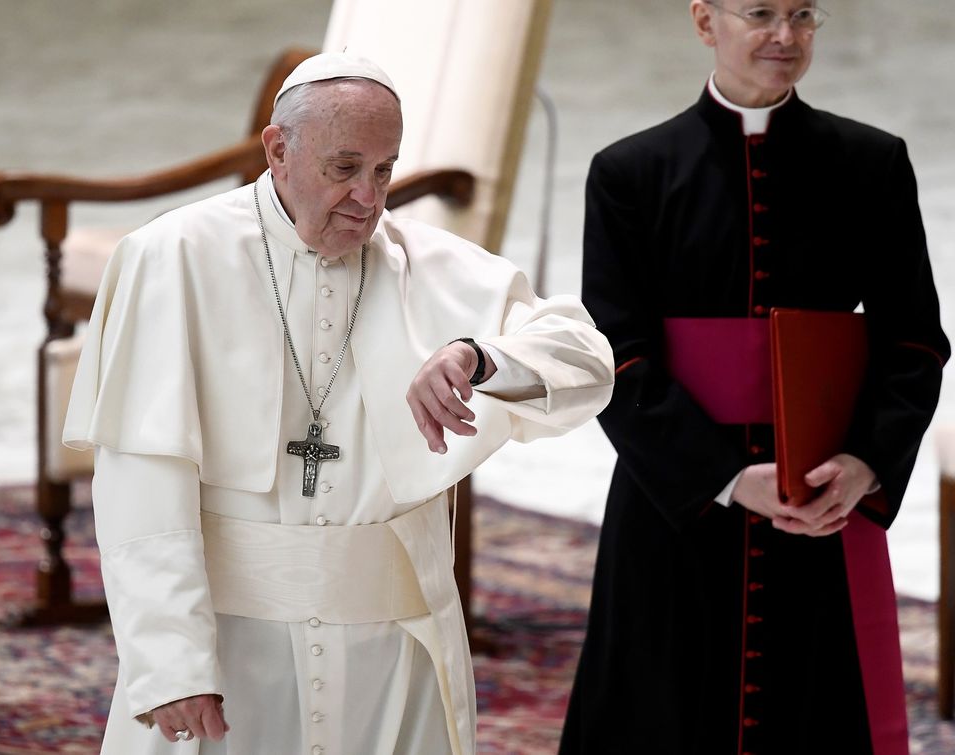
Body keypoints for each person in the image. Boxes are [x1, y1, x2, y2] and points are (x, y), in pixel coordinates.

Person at [63, 52, 614, 754]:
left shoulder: (425, 262)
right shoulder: (172, 256)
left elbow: (588, 361)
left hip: (396, 652)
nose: (368, 198)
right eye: (344, 168)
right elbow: (140, 482)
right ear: (278, 150)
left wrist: (478, 357)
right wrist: (172, 662)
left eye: (384, 170)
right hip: (233, 648)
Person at [559, 2, 949, 754]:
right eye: (761, 12)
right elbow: (617, 355)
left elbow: (915, 341)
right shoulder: (630, 171)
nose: (785, 35)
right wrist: (728, 478)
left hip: (820, 488)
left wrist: (866, 462)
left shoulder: (872, 162)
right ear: (705, 22)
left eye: (802, 15)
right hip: (674, 494)